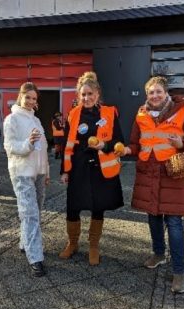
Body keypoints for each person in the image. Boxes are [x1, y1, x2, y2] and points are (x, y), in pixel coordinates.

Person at [120, 76, 184, 293]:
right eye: (151, 93)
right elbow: (137, 143)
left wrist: (182, 143)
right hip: (148, 174)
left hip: (172, 172)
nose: (154, 96)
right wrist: (127, 150)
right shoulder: (141, 114)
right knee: (153, 218)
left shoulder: (182, 109)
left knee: (174, 224)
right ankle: (158, 253)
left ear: (166, 93)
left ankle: (179, 273)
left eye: (158, 92)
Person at [59, 71, 124, 266]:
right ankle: (73, 243)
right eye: (83, 95)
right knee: (72, 207)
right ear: (79, 96)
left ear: (97, 94)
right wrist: (64, 170)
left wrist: (105, 145)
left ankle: (93, 246)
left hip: (100, 167)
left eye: (90, 94)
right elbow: (66, 144)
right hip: (78, 166)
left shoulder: (109, 113)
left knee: (98, 208)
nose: (86, 98)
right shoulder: (73, 114)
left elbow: (119, 141)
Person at [3, 82, 50, 277]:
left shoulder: (36, 120)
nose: (31, 101)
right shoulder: (12, 119)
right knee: (30, 214)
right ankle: (35, 257)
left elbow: (44, 148)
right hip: (21, 172)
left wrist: (46, 171)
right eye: (28, 97)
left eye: (34, 98)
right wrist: (28, 144)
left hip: (38, 172)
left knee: (35, 211)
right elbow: (10, 147)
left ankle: (25, 242)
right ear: (20, 96)